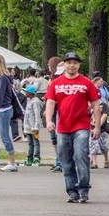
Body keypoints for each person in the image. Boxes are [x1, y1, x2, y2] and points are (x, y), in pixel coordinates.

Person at [44, 51, 102, 204]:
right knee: (66, 160)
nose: (72, 65)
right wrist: (49, 120)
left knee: (81, 155)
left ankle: (83, 189)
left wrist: (97, 126)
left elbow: (96, 105)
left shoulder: (86, 83)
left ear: (79, 65)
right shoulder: (56, 83)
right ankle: (72, 191)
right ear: (64, 65)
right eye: (69, 62)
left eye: (74, 62)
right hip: (63, 127)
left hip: (81, 126)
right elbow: (50, 102)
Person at [23, 85, 43, 166]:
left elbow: (37, 115)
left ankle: (36, 158)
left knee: (36, 142)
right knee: (30, 143)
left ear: (30, 93)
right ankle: (29, 158)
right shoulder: (29, 101)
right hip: (28, 127)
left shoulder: (35, 102)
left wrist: (36, 126)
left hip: (34, 127)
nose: (25, 92)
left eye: (26, 91)